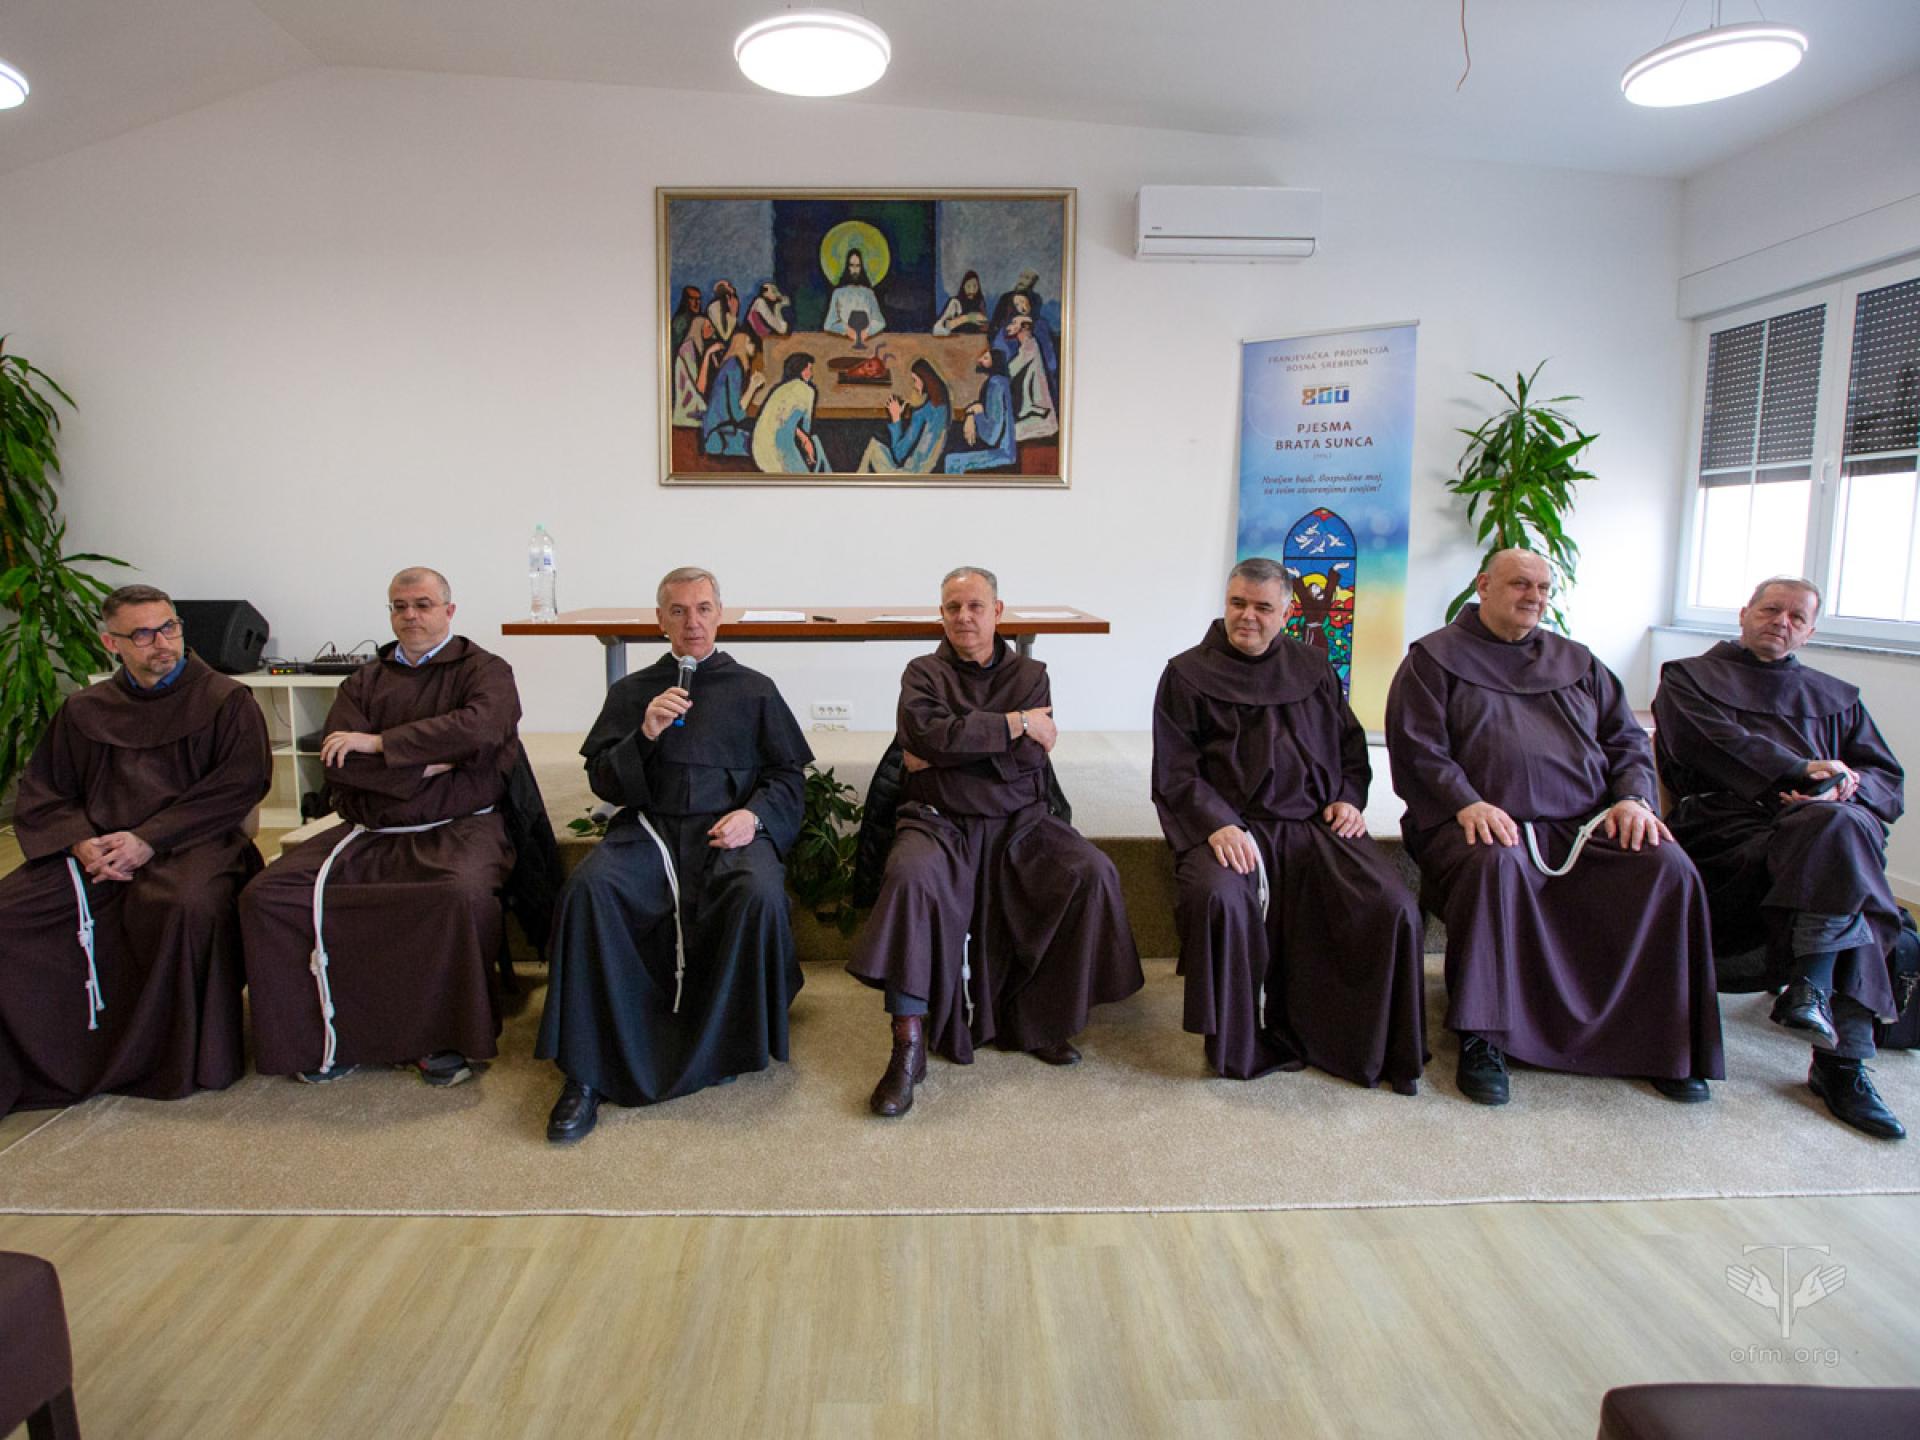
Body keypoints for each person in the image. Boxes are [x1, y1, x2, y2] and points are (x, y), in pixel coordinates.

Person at [1385, 548, 1724, 1106]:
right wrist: (1466, 802)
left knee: (1669, 867)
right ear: (1484, 585)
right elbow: (1418, 749)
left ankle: (1666, 1042)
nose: (1535, 597)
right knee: (1496, 864)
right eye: (1521, 584)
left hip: (1584, 826)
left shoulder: (1579, 662)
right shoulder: (1434, 659)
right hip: (1477, 823)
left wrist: (1634, 800)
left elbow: (1626, 741)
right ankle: (1485, 1036)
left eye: (1544, 588)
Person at [848, 566, 1143, 1117]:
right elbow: (924, 735)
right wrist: (1012, 725)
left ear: (997, 611)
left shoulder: (1031, 674)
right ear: (941, 614)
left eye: (975, 606)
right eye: (953, 607)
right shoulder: (922, 673)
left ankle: (1043, 1019)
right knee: (910, 878)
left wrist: (949, 751)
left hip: (1019, 821)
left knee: (1091, 870)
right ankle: (908, 1045)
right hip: (938, 820)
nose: (964, 617)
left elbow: (1025, 760)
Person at [537, 567, 814, 1142]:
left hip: (728, 831)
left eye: (704, 609)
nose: (693, 622)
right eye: (679, 611)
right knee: (589, 891)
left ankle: (731, 1040)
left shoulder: (755, 689)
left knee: (757, 892)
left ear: (720, 615)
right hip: (652, 829)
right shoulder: (633, 692)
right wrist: (645, 734)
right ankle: (586, 1072)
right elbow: (605, 781)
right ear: (660, 619)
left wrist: (755, 817)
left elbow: (788, 776)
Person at [239, 567, 522, 1087]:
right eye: (399, 606)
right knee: (269, 895)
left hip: (458, 824)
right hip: (372, 826)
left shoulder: (485, 671)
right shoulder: (364, 681)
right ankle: (325, 1036)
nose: (410, 616)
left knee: (456, 895)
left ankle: (441, 1040)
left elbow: (482, 732)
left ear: (449, 611)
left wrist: (380, 745)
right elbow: (338, 762)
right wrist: (428, 764)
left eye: (423, 604)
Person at [1154, 560, 1426, 1093]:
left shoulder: (1314, 667)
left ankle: (1352, 1041)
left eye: (1262, 607)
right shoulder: (1186, 674)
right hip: (1234, 829)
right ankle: (1238, 1045)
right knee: (1220, 897)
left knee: (1391, 904)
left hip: (1313, 822)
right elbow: (1175, 771)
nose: (1247, 617)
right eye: (1238, 604)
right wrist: (1215, 824)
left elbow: (1351, 747)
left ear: (1286, 612)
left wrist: (1349, 798)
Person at [0, 584, 271, 1116]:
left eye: (169, 628)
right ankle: (45, 1061)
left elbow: (238, 786)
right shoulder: (84, 709)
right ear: (112, 642)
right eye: (143, 635)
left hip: (195, 843)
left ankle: (168, 1061)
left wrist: (148, 839)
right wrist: (79, 840)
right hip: (98, 849)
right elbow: (47, 790)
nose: (162, 643)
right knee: (11, 914)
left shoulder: (225, 700)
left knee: (181, 907)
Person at [1654, 576, 1907, 1140]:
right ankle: (1841, 1061)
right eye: (1771, 610)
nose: (1781, 622)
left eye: (1796, 617)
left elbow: (1887, 780)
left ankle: (1814, 1000)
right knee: (1850, 862)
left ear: (1810, 632)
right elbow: (1707, 745)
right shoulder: (1688, 678)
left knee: (1837, 828)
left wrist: (1844, 789)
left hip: (1825, 834)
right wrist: (1801, 772)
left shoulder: (1837, 696)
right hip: (1729, 832)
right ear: (1744, 612)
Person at [854, 358, 950, 474]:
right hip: (924, 470)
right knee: (875, 447)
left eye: (915, 380)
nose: (914, 386)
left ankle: (857, 480)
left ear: (924, 380)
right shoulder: (942, 408)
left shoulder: (922, 412)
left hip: (910, 473)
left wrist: (896, 418)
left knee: (874, 446)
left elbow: (898, 454)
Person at [751, 352, 833, 473]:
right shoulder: (807, 391)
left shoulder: (780, 389)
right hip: (779, 451)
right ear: (800, 370)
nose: (811, 374)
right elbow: (806, 427)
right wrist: (806, 440)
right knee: (816, 445)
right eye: (809, 369)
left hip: (760, 450)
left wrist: (803, 437)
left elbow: (781, 420)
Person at [942, 348, 1017, 475]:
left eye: (985, 358)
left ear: (995, 362)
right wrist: (972, 414)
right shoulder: (1001, 382)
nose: (979, 360)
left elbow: (991, 436)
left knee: (952, 460)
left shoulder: (996, 383)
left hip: (1001, 453)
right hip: (1001, 449)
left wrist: (977, 412)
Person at [700, 331, 764, 458]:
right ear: (743, 343)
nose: (754, 347)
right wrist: (753, 387)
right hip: (719, 436)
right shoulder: (734, 367)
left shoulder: (730, 364)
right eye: (751, 343)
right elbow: (737, 414)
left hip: (718, 431)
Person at [1004, 317, 1059, 442]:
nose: (1009, 326)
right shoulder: (1028, 345)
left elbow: (1011, 370)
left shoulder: (1030, 346)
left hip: (1037, 414)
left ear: (1024, 328)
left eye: (1014, 323)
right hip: (1034, 410)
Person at [822, 248, 886, 339]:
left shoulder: (868, 293)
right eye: (852, 265)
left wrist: (867, 332)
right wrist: (846, 330)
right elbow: (828, 324)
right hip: (843, 341)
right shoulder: (838, 293)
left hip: (866, 341)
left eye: (858, 266)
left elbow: (880, 322)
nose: (855, 270)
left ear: (861, 267)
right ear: (847, 267)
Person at [932, 270, 990, 336]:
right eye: (968, 286)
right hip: (955, 338)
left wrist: (978, 320)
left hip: (974, 338)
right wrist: (967, 318)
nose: (972, 289)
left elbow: (985, 323)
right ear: (963, 286)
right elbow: (946, 326)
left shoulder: (980, 302)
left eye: (975, 286)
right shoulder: (955, 302)